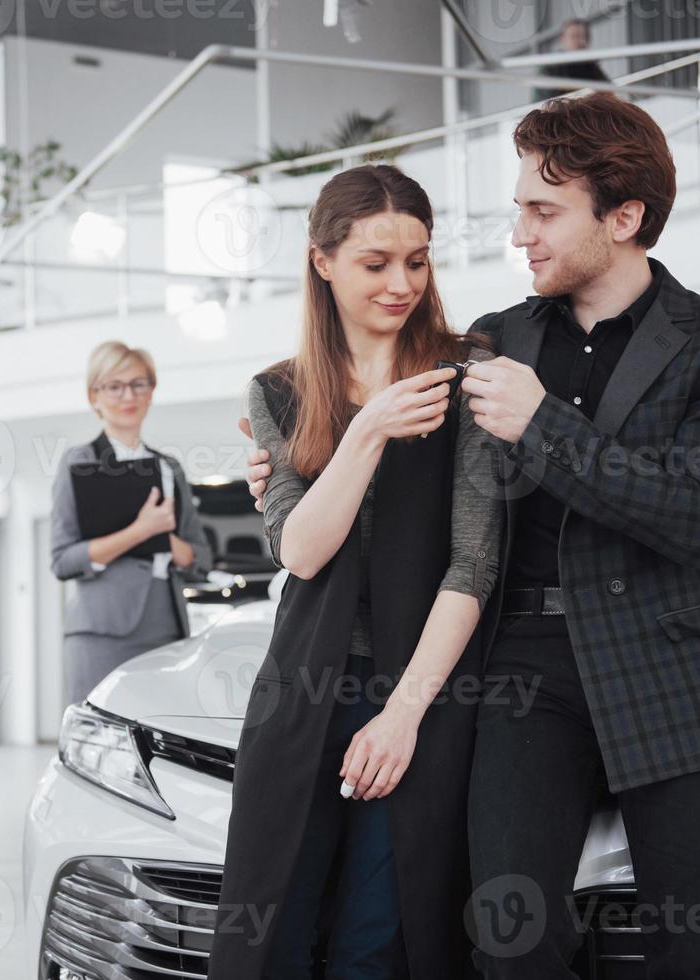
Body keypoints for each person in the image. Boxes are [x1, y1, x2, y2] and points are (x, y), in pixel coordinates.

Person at [245, 92, 700, 979]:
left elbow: (694, 519)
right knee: (505, 938)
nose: (518, 233)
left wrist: (546, 425)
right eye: (518, 208)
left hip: (678, 665)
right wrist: (286, 476)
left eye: (542, 210)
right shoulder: (491, 342)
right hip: (523, 669)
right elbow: (406, 482)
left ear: (624, 216)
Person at [209, 164, 504, 980]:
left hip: (422, 691)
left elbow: (473, 561)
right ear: (322, 261)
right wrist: (368, 428)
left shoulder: (468, 369)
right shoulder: (277, 391)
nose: (401, 283)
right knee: (276, 926)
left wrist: (404, 714)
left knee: (381, 937)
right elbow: (300, 549)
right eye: (376, 264)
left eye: (417, 260)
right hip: (302, 687)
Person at [48, 340, 213, 708]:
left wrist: (167, 540)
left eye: (140, 384)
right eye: (115, 386)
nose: (129, 395)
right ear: (94, 397)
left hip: (167, 627)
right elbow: (62, 560)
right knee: (100, 742)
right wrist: (141, 530)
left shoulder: (169, 467)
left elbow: (201, 556)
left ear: (151, 392)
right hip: (103, 631)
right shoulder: (79, 462)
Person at [536, 18, 609, 101]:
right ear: (562, 39)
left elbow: (609, 92)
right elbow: (546, 104)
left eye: (584, 36)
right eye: (574, 36)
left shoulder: (593, 69)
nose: (581, 41)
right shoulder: (551, 69)